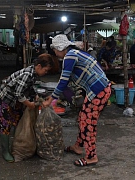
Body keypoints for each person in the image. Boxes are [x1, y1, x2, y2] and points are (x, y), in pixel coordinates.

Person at [44, 34, 111, 167]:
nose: (55, 52)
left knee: (88, 124)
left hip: (98, 90)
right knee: (82, 118)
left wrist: (52, 99)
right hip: (98, 89)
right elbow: (68, 82)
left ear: (60, 47)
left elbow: (63, 81)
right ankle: (78, 147)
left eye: (55, 49)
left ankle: (91, 156)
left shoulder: (70, 56)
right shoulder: (75, 53)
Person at [0, 53, 53, 162]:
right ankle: (5, 151)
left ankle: (16, 145)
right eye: (45, 70)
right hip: (5, 98)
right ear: (39, 66)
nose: (46, 73)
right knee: (5, 124)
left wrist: (35, 96)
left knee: (18, 121)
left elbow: (29, 87)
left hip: (16, 100)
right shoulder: (27, 74)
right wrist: (29, 104)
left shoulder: (34, 74)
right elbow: (18, 94)